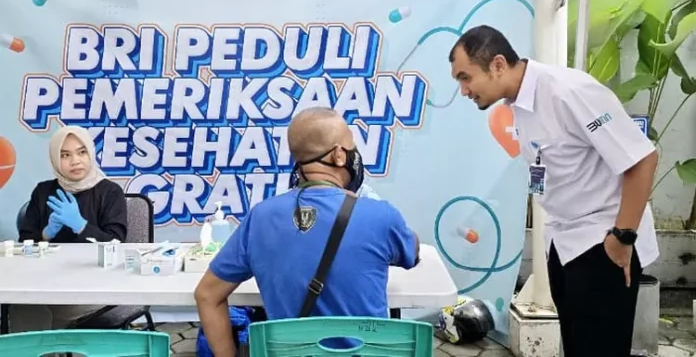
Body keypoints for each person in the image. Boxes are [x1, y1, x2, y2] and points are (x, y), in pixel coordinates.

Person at [448, 25, 659, 357]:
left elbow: (642, 159)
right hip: (563, 244)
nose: (463, 90)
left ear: (498, 64)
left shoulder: (569, 92)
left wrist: (622, 237)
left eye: (465, 77)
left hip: (602, 240)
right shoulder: (517, 104)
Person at [194, 107, 420, 357]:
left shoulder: (260, 217)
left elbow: (207, 294)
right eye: (352, 147)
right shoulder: (381, 215)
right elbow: (412, 253)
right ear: (339, 155)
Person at [12, 125, 128, 333]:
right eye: (65, 155)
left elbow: (116, 245)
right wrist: (46, 234)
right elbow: (25, 242)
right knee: (23, 304)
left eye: (81, 152)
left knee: (53, 310)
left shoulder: (110, 192)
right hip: (47, 280)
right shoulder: (43, 191)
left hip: (95, 283)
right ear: (55, 160)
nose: (75, 161)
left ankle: (58, 345)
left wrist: (81, 226)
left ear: (91, 153)